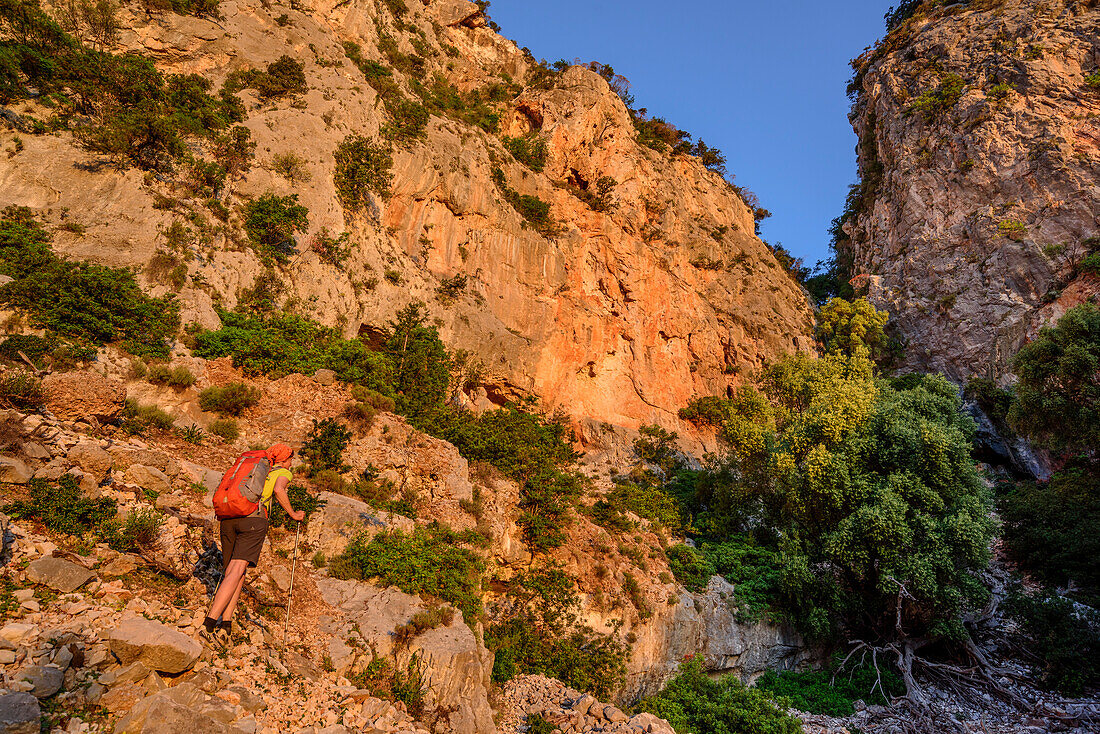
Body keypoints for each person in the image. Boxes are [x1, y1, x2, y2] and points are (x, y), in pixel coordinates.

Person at [202, 443, 304, 640]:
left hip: (229, 519)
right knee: (237, 569)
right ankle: (209, 622)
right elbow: (279, 490)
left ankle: (227, 622)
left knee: (236, 572)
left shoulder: (254, 468)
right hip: (253, 520)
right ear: (283, 460)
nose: (292, 464)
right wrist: (292, 514)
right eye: (291, 460)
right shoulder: (281, 472)